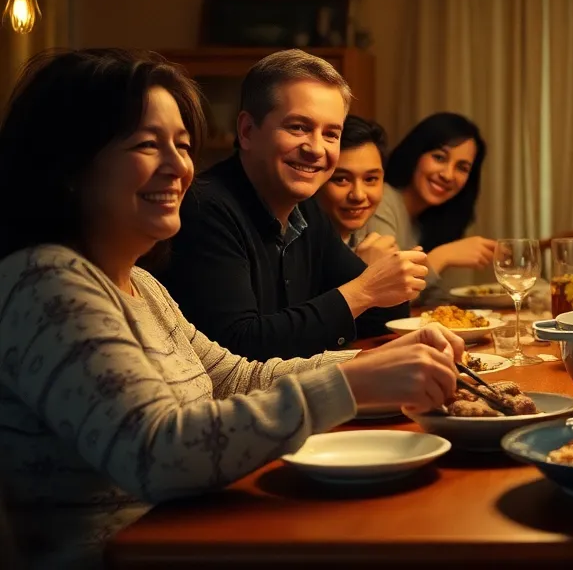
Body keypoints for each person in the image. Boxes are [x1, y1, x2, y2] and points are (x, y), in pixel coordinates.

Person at [0, 49, 464, 569]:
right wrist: (351, 386)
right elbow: (157, 453)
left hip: (203, 534)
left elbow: (234, 378)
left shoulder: (142, 285)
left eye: (181, 144)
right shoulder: (48, 284)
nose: (180, 166)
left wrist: (372, 367)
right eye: (147, 145)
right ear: (70, 165)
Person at [160, 50, 429, 361]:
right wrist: (365, 289)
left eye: (331, 134)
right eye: (298, 127)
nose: (316, 148)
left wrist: (381, 283)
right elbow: (238, 348)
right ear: (247, 131)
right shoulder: (205, 207)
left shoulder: (306, 210)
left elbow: (383, 313)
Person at [369, 112, 497, 308]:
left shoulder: (427, 220)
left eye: (462, 168)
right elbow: (385, 296)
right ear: (415, 153)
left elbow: (432, 300)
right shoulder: (382, 200)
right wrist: (442, 256)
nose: (448, 175)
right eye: (439, 158)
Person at [317, 114, 400, 267]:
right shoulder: (296, 249)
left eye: (370, 179)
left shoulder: (363, 241)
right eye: (341, 179)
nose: (358, 195)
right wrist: (362, 270)